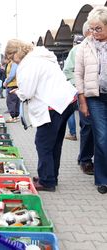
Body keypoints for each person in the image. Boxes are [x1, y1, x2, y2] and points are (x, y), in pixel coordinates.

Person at [5, 39, 77, 192]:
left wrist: (18, 92)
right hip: (65, 102)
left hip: (51, 106)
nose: (12, 61)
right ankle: (51, 176)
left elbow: (27, 92)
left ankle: (46, 181)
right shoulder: (41, 57)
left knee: (43, 143)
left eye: (11, 57)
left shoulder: (28, 64)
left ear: (16, 52)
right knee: (55, 143)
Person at [75, 6, 107, 194]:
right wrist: (83, 101)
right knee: (102, 138)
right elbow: (79, 74)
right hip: (95, 99)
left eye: (98, 29)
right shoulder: (84, 46)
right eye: (92, 28)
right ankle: (103, 179)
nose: (94, 33)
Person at [63, 23, 95, 175]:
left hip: (100, 94)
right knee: (88, 126)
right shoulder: (77, 50)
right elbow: (67, 72)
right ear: (88, 31)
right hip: (84, 94)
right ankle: (85, 160)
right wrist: (80, 87)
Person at [63, 35, 85, 141]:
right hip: (88, 88)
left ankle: (73, 133)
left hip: (75, 87)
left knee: (70, 110)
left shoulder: (74, 50)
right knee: (84, 111)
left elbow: (66, 70)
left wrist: (75, 83)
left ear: (74, 43)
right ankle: (85, 134)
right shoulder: (89, 48)